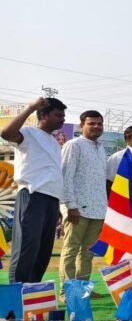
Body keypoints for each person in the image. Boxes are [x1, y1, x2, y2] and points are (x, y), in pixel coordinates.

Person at [1, 97, 66, 283]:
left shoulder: (54, 142)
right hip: (32, 195)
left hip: (51, 199)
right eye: (58, 115)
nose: (62, 119)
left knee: (43, 251)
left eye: (63, 116)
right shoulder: (28, 133)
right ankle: (17, 292)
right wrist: (30, 108)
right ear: (43, 115)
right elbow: (6, 133)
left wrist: (58, 205)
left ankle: (33, 291)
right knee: (27, 247)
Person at [59, 110, 108, 294]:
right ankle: (68, 292)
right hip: (77, 209)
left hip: (98, 210)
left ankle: (82, 290)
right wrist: (71, 206)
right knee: (71, 250)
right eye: (91, 123)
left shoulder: (101, 148)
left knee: (87, 253)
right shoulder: (74, 145)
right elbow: (65, 177)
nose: (96, 127)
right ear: (82, 125)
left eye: (99, 124)